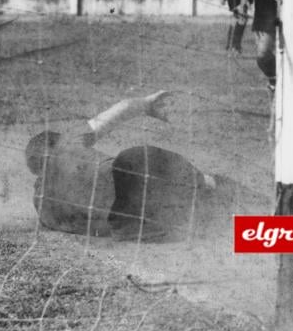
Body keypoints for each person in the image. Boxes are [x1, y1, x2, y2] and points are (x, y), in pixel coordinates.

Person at [24, 91, 243, 241]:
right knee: (208, 189)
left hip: (126, 226)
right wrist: (148, 104)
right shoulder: (65, 143)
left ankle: (264, 230)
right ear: (54, 142)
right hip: (133, 179)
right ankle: (252, 204)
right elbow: (118, 112)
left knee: (206, 222)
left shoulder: (43, 207)